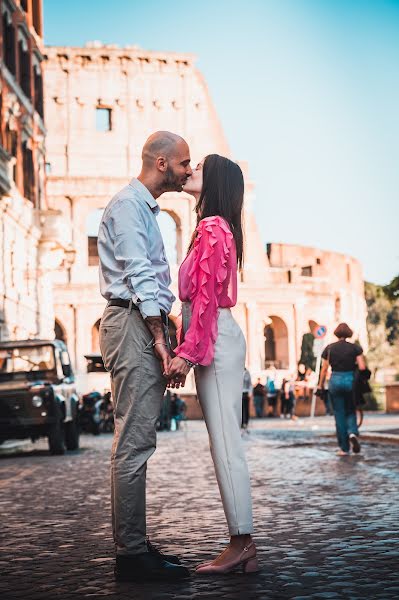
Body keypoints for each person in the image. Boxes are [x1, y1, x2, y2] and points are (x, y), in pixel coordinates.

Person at [98, 131, 192, 582]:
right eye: (183, 163)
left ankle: (134, 542)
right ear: (160, 162)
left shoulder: (141, 208)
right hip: (132, 322)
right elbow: (139, 276)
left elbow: (150, 280)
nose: (188, 170)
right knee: (133, 443)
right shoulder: (129, 206)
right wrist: (159, 340)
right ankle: (131, 555)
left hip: (139, 320)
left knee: (138, 441)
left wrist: (162, 332)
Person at [167, 154, 259, 575]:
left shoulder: (212, 227)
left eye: (199, 167)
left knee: (225, 443)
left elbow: (204, 300)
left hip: (215, 338)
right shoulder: (216, 228)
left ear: (215, 181)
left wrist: (187, 354)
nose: (190, 172)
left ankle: (241, 543)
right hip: (216, 336)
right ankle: (241, 543)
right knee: (222, 441)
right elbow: (198, 300)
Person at [317, 322, 366, 456]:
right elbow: (362, 367)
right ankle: (352, 433)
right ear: (349, 333)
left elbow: (324, 369)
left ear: (337, 333)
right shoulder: (355, 348)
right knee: (351, 410)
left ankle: (344, 448)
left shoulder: (329, 348)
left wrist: (320, 384)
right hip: (350, 380)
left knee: (339, 413)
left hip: (335, 380)